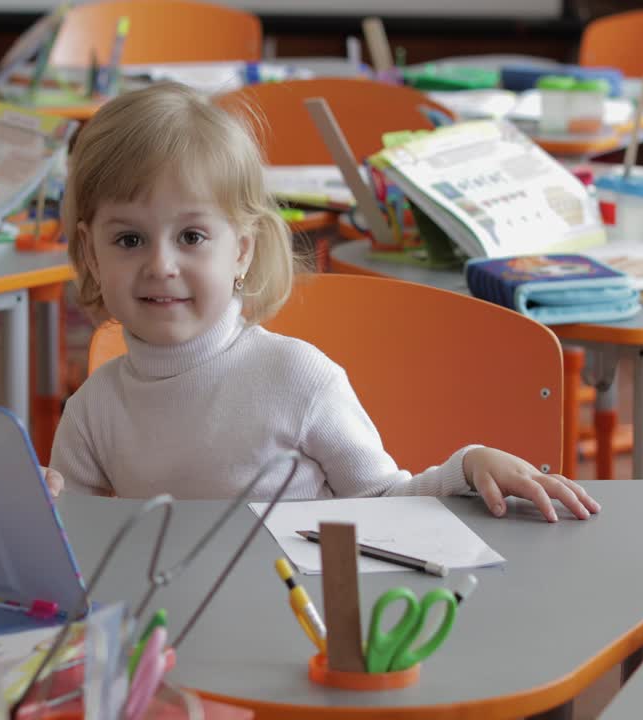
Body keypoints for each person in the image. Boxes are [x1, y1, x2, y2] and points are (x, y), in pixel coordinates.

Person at [45, 82, 599, 522]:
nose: (160, 264)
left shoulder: (297, 377)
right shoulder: (93, 410)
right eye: (128, 240)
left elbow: (385, 502)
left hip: (292, 638)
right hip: (172, 644)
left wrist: (467, 466)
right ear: (91, 256)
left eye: (191, 237)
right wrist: (38, 511)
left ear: (241, 251)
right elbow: (75, 546)